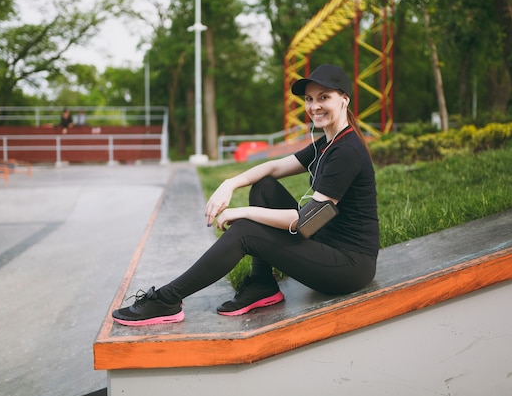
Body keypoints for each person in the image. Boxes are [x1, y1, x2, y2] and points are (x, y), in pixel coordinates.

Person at [112, 64, 379, 326]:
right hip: (325, 242)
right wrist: (230, 183)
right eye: (309, 99)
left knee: (246, 232)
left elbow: (308, 221)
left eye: (324, 98)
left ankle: (167, 299)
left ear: (344, 100)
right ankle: (262, 285)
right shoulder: (327, 143)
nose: (314, 106)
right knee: (264, 186)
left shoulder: (346, 152)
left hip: (349, 267)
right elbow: (274, 167)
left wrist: (243, 212)